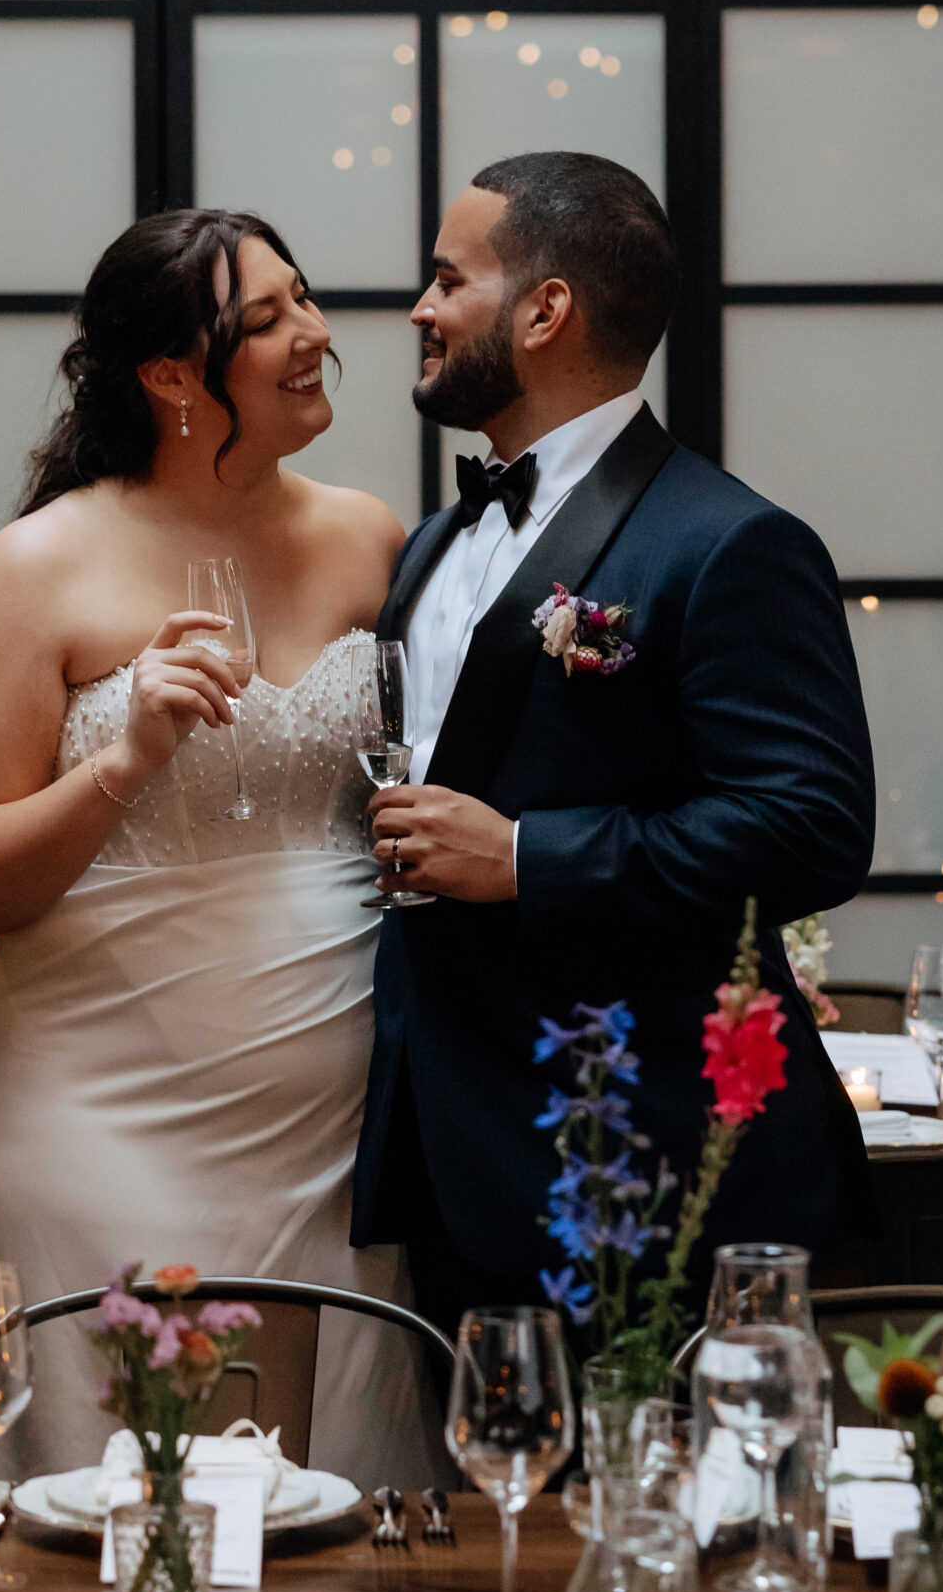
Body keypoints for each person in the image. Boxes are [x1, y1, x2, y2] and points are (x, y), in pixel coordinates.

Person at [0, 208, 441, 1486]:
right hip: (100, 1109)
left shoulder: (373, 540)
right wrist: (126, 759)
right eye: (264, 319)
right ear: (168, 376)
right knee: (112, 1482)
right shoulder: (38, 566)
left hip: (333, 1113)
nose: (313, 333)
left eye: (304, 297)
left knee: (329, 1481)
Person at [352, 150, 878, 1337]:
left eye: (449, 280)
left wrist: (523, 856)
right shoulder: (431, 545)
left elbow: (812, 828)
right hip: (447, 1146)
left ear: (546, 310)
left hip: (645, 1157)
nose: (423, 309)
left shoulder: (729, 542)